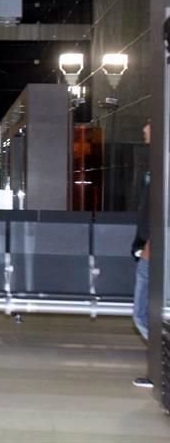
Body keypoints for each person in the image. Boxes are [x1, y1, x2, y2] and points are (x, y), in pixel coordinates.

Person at [131, 119, 152, 389]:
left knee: (143, 313)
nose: (144, 128)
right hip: (150, 246)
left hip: (155, 249)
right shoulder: (157, 163)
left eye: (148, 124)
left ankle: (161, 369)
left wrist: (151, 244)